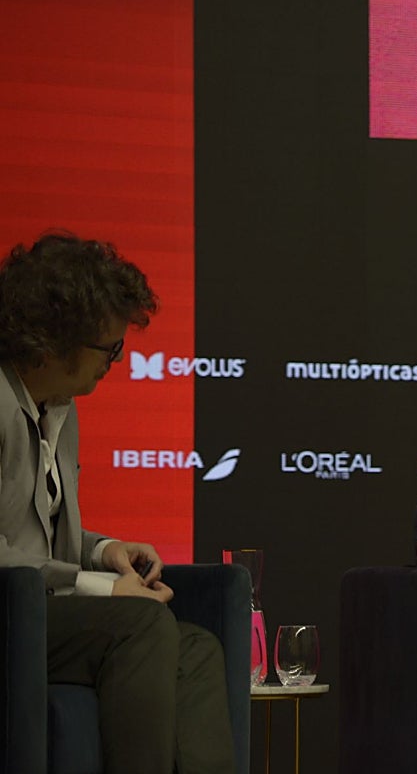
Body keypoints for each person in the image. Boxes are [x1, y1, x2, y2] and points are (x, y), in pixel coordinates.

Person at [0, 232, 235, 774]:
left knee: (197, 648)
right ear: (54, 337)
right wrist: (105, 589)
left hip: (42, 613)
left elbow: (35, 529)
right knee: (140, 624)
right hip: (10, 611)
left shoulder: (59, 409)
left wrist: (103, 552)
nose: (115, 361)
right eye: (108, 348)